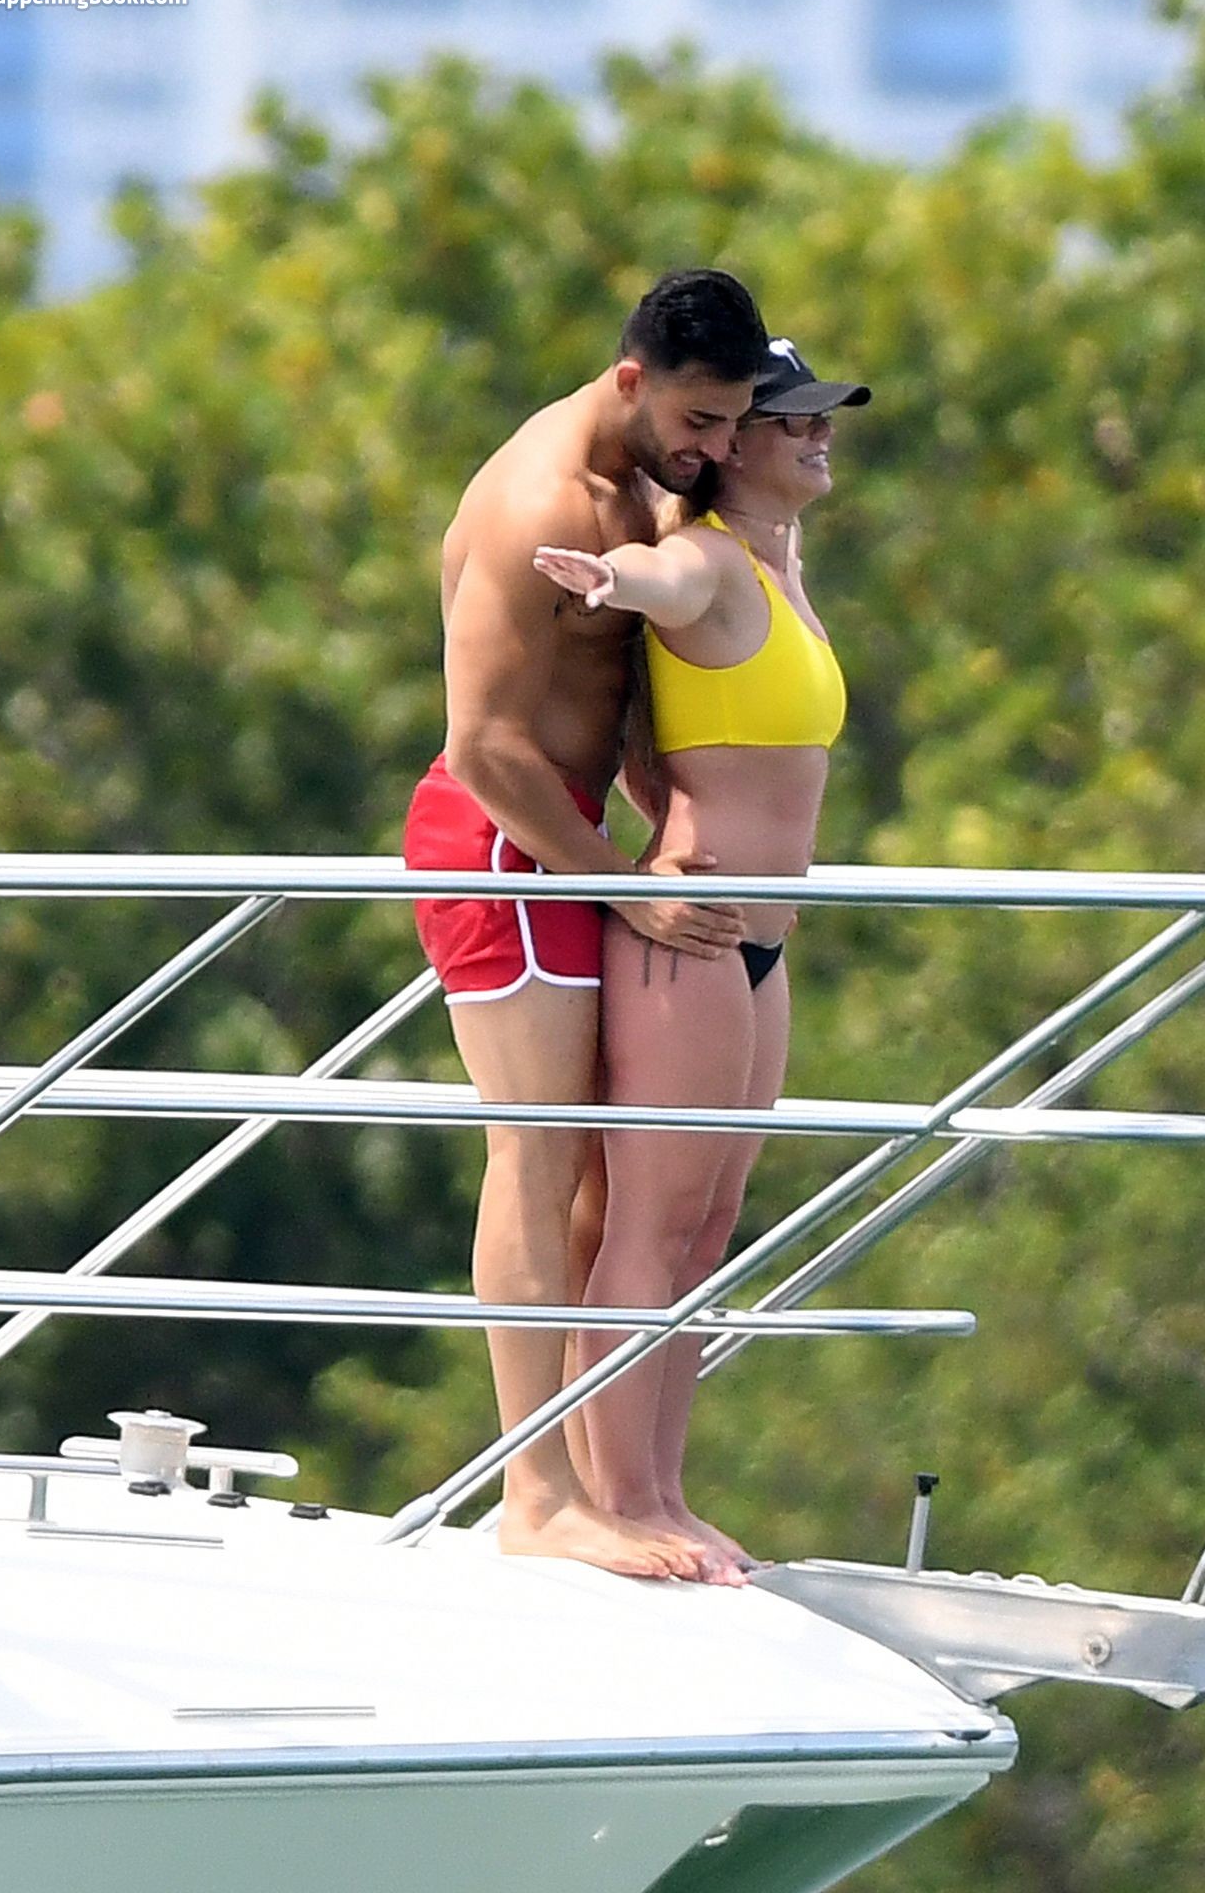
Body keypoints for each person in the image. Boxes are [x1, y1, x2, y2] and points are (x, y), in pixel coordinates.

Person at [403, 270, 767, 1579]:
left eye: (732, 425)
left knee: (605, 1183)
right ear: (630, 380)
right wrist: (620, 882)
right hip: (504, 841)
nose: (713, 449)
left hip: (562, 839)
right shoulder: (537, 502)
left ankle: (604, 1487)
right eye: (698, 420)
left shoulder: (641, 491)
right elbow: (484, 746)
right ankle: (535, 1497)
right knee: (538, 1155)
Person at [534, 338, 870, 1583]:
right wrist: (606, 577)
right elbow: (660, 578)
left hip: (762, 943)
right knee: (651, 1218)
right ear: (733, 445)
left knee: (710, 1225)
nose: (819, 437)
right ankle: (618, 1498)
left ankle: (666, 1489)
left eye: (822, 419)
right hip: (692, 930)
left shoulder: (782, 566)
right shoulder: (713, 561)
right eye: (794, 422)